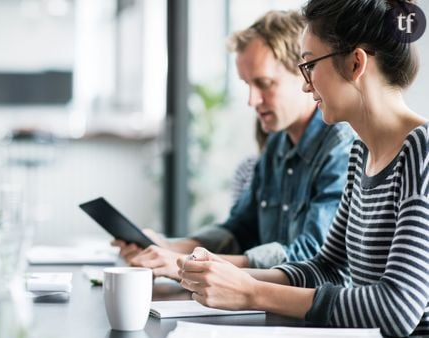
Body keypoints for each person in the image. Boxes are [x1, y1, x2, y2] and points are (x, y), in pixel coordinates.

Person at [178, 0, 429, 338]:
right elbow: (328, 268)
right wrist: (227, 275)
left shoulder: (422, 153)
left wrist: (251, 292)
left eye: (309, 65)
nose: (305, 85)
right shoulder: (361, 153)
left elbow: (398, 307)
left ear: (356, 63)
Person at [114, 10, 354, 279]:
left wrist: (187, 263)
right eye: (247, 85)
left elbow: (312, 255)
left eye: (264, 84)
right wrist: (167, 247)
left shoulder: (341, 149)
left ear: (304, 75)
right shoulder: (277, 145)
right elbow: (239, 229)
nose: (252, 101)